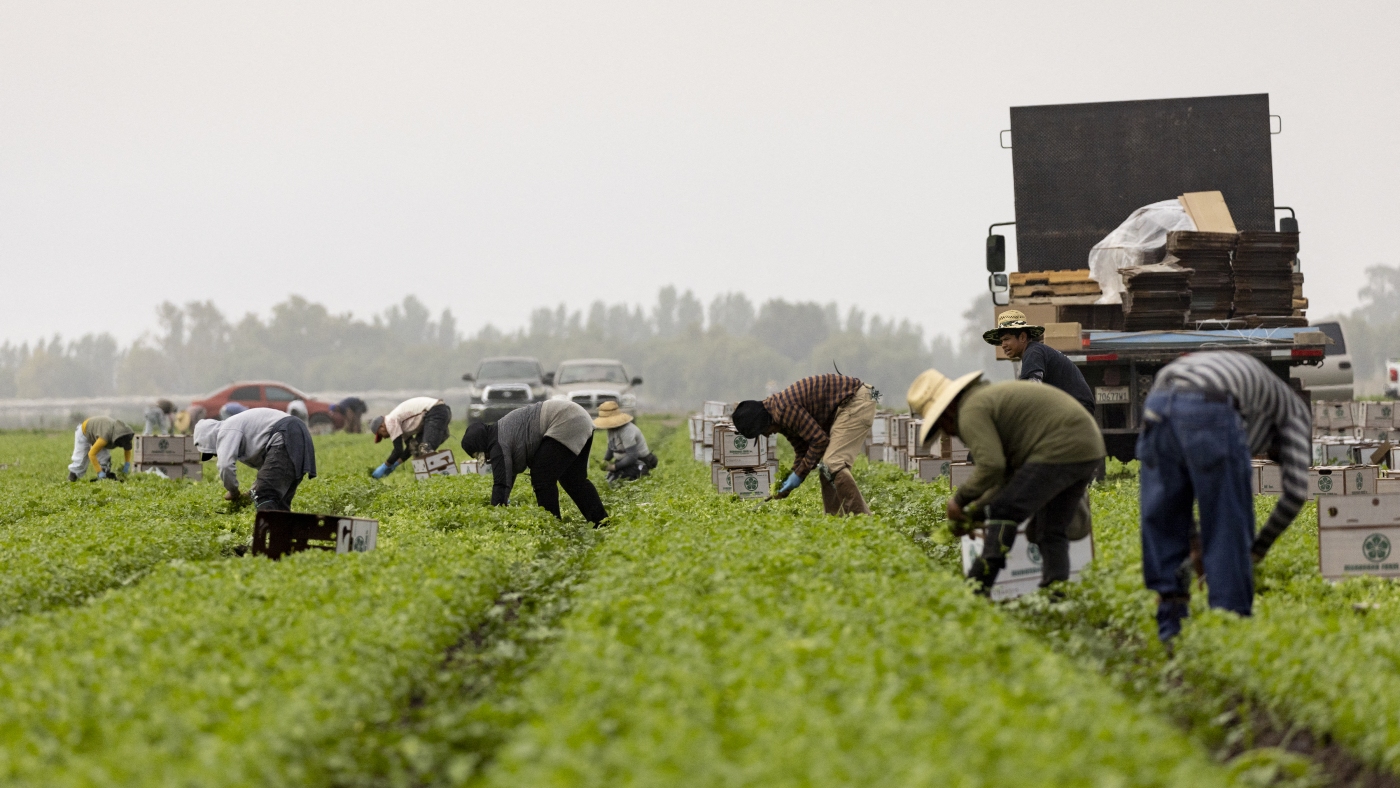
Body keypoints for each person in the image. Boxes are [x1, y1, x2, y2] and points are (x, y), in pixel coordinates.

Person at [1138, 350, 1311, 643]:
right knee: (1227, 522)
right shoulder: (1295, 414)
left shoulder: (1258, 395)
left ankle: (1170, 628)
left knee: (1166, 518)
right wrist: (1256, 550)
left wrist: (1194, 543)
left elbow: (1179, 506)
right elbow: (1295, 493)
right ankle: (1231, 632)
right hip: (1210, 402)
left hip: (1157, 402)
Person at [908, 368, 1104, 594]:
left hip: (1057, 447)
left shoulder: (971, 410)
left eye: (942, 426)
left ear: (948, 411)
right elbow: (1008, 480)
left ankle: (978, 587)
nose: (949, 434)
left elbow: (992, 466)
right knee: (1050, 528)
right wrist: (975, 513)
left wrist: (959, 501)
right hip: (1088, 446)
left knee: (1005, 510)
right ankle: (1056, 595)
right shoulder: (985, 401)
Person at [732, 373, 876, 515]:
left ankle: (862, 519)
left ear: (765, 422)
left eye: (763, 431)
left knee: (833, 463)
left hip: (856, 401)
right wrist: (789, 481)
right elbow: (803, 450)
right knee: (826, 469)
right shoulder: (779, 418)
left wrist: (798, 476)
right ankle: (835, 521)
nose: (767, 434)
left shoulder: (784, 410)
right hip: (847, 405)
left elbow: (820, 441)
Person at [460, 400, 607, 526]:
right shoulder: (500, 433)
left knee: (542, 476)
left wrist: (495, 517)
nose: (486, 459)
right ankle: (600, 522)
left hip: (564, 418)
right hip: (578, 416)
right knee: (573, 479)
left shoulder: (498, 443)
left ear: (482, 444)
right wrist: (502, 504)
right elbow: (507, 478)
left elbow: (501, 482)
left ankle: (552, 525)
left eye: (483, 455)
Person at [193, 407, 317, 510]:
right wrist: (252, 491)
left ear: (210, 438)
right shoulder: (239, 428)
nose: (215, 454)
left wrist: (234, 492)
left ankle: (265, 535)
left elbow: (225, 465)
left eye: (212, 452)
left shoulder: (227, 429)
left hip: (286, 433)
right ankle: (282, 538)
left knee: (265, 495)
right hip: (297, 434)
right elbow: (270, 470)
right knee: (279, 502)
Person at [984, 310, 1094, 413]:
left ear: (1022, 337)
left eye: (1007, 339)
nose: (1003, 345)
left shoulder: (1033, 353)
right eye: (1001, 341)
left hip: (1076, 408)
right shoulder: (1034, 351)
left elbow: (1032, 391)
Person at [368, 397, 452, 478]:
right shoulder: (400, 425)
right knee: (417, 451)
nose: (384, 438)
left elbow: (398, 450)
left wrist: (385, 466)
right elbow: (411, 448)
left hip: (435, 411)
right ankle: (426, 479)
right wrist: (396, 463)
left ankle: (445, 476)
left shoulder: (390, 422)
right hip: (438, 411)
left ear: (382, 426)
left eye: (381, 434)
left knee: (425, 449)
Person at [593, 401, 657, 483]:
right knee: (609, 479)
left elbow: (632, 456)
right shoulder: (611, 429)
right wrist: (605, 460)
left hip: (637, 463)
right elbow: (611, 448)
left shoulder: (627, 430)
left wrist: (614, 467)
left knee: (617, 480)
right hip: (623, 462)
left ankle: (643, 472)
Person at [68, 416, 135, 482]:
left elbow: (127, 449)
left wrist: (127, 464)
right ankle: (72, 477)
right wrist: (99, 472)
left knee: (105, 458)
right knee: (81, 460)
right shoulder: (105, 437)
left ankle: (104, 478)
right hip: (84, 431)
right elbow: (91, 454)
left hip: (98, 432)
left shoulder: (125, 435)